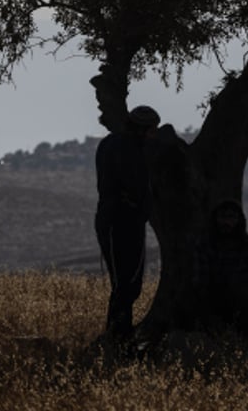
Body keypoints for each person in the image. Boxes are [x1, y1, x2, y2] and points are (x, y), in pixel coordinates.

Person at [95, 104, 161, 339]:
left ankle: (118, 332)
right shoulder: (127, 148)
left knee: (125, 282)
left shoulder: (111, 143)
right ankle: (118, 335)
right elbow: (132, 184)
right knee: (127, 282)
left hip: (115, 218)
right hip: (122, 219)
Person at [192, 199, 248, 332]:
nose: (226, 222)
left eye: (231, 217)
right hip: (214, 300)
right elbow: (201, 282)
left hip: (244, 304)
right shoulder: (205, 246)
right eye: (222, 217)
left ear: (239, 220)